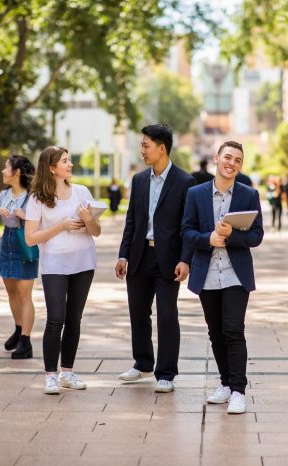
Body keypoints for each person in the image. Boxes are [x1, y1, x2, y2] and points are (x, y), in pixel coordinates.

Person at [182, 141, 264, 414]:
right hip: (206, 274)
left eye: (238, 160)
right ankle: (226, 384)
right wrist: (209, 239)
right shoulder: (195, 194)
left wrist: (230, 237)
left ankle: (239, 390)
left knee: (233, 329)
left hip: (235, 274)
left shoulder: (249, 195)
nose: (232, 163)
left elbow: (256, 236)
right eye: (228, 157)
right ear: (217, 159)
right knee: (215, 333)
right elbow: (187, 232)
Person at [115, 124, 196, 393]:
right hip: (138, 257)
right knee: (138, 313)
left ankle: (166, 373)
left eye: (146, 145)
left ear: (162, 148)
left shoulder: (185, 182)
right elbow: (131, 222)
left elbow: (188, 226)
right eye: (142, 145)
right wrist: (123, 254)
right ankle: (143, 363)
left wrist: (186, 259)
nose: (142, 150)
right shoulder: (138, 181)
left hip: (168, 260)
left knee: (167, 315)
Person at [25, 146, 101, 394]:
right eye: (65, 161)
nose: (70, 165)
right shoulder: (37, 198)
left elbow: (96, 232)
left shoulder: (81, 192)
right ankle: (50, 376)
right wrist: (62, 225)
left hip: (83, 263)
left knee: (74, 319)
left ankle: (67, 372)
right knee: (55, 318)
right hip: (55, 265)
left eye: (70, 160)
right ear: (51, 167)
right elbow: (30, 238)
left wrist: (87, 219)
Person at [0, 155, 38, 359]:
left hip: (25, 244)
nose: (2, 171)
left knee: (24, 294)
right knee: (11, 292)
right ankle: (19, 329)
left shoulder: (32, 196)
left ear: (16, 173)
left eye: (6, 167)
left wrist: (25, 217)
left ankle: (26, 341)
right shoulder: (3, 195)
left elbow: (41, 222)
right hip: (7, 243)